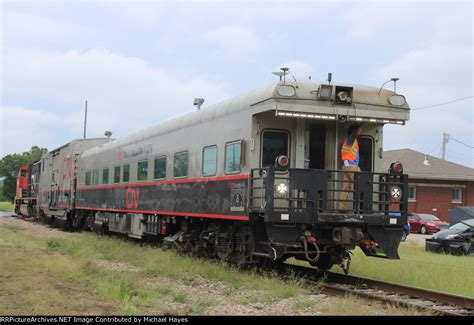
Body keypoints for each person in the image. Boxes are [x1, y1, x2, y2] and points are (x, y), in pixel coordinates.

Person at [339, 124, 362, 211]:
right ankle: (359, 207)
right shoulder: (351, 139)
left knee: (346, 187)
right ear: (354, 131)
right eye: (359, 130)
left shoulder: (350, 139)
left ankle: (341, 207)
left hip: (347, 166)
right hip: (351, 166)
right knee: (361, 184)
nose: (361, 131)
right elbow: (355, 133)